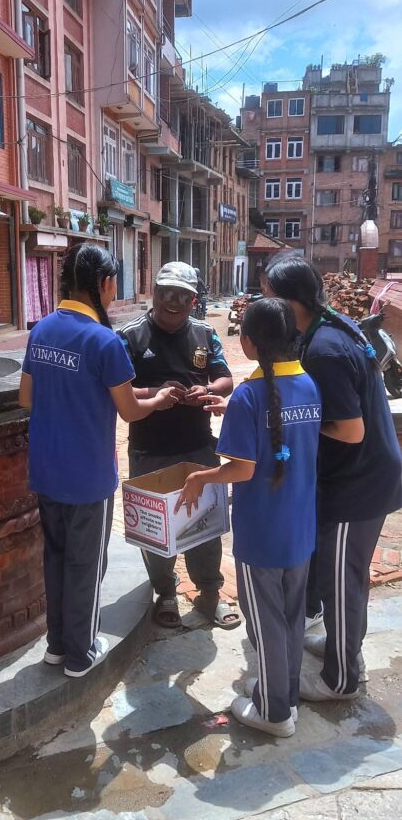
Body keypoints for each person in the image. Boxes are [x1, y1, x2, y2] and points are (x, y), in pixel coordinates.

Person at [19, 244, 177, 678]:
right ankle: (81, 653)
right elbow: (129, 410)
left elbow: (27, 397)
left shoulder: (42, 329)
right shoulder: (104, 340)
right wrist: (158, 400)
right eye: (113, 284)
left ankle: (56, 646)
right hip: (88, 476)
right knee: (86, 565)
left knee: (55, 558)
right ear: (104, 284)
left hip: (46, 469)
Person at [176, 297, 322, 737]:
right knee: (291, 617)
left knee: (266, 624)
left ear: (249, 342)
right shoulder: (308, 385)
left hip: (262, 534)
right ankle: (286, 695)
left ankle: (274, 713)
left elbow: (242, 469)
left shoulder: (248, 396)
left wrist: (200, 477)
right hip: (301, 527)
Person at [264, 252, 402, 702]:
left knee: (342, 580)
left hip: (358, 483)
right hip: (359, 474)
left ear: (290, 301)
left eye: (269, 298)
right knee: (342, 575)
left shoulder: (325, 349)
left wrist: (295, 423)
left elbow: (349, 429)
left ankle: (341, 678)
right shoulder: (329, 324)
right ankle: (342, 645)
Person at [118, 261, 239, 630]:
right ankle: (165, 592)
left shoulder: (205, 333)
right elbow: (117, 391)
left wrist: (207, 389)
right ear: (154, 293)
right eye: (166, 293)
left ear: (193, 300)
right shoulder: (131, 337)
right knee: (157, 528)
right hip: (149, 449)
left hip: (198, 446)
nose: (173, 301)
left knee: (205, 523)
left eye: (182, 296)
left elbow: (226, 379)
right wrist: (156, 394)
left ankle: (210, 593)